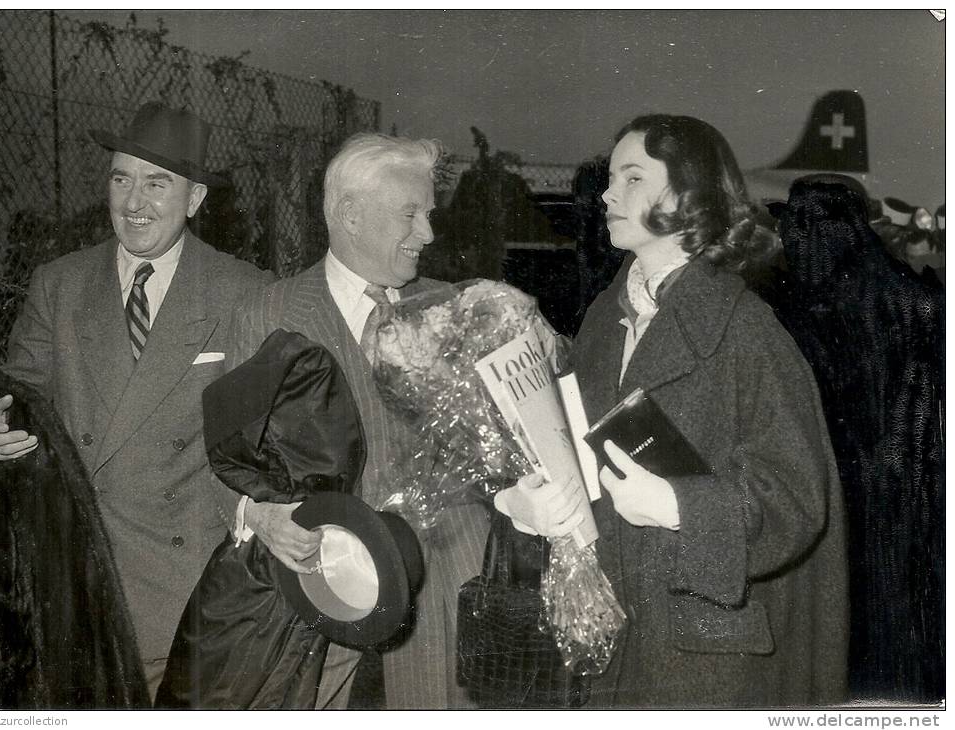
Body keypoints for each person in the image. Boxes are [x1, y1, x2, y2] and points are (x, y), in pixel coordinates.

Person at [497, 115, 849, 707]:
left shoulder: (748, 334)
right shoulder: (602, 324)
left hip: (706, 655)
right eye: (612, 178)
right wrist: (527, 504)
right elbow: (575, 453)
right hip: (615, 638)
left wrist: (677, 505)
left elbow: (796, 501)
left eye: (632, 178)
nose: (608, 194)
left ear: (688, 197)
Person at [0, 101, 273, 701]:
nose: (134, 202)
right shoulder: (59, 284)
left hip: (188, 584)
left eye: (156, 183)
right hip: (78, 576)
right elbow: (19, 395)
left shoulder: (243, 291)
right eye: (121, 179)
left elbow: (265, 443)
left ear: (195, 199)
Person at [225, 132, 489, 709]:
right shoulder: (267, 316)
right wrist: (259, 514)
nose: (428, 233)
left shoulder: (453, 311)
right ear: (350, 214)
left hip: (444, 601)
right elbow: (225, 463)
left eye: (428, 214)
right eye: (410, 214)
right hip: (326, 604)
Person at [772, 178, 944, 703]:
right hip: (909, 497)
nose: (793, 239)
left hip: (834, 502)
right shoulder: (919, 298)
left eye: (800, 226)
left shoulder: (789, 310)